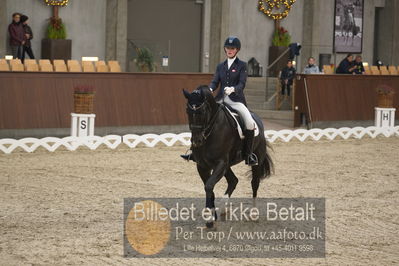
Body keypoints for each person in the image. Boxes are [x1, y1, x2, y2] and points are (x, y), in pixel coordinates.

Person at [181, 36, 258, 166]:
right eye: (228, 48)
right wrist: (210, 89)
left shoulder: (242, 65)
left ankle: (249, 154)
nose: (230, 50)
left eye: (232, 48)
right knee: (201, 119)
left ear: (237, 50)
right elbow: (215, 81)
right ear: (225, 49)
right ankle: (194, 151)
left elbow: (242, 83)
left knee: (249, 122)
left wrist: (233, 89)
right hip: (220, 99)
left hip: (236, 101)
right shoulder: (220, 66)